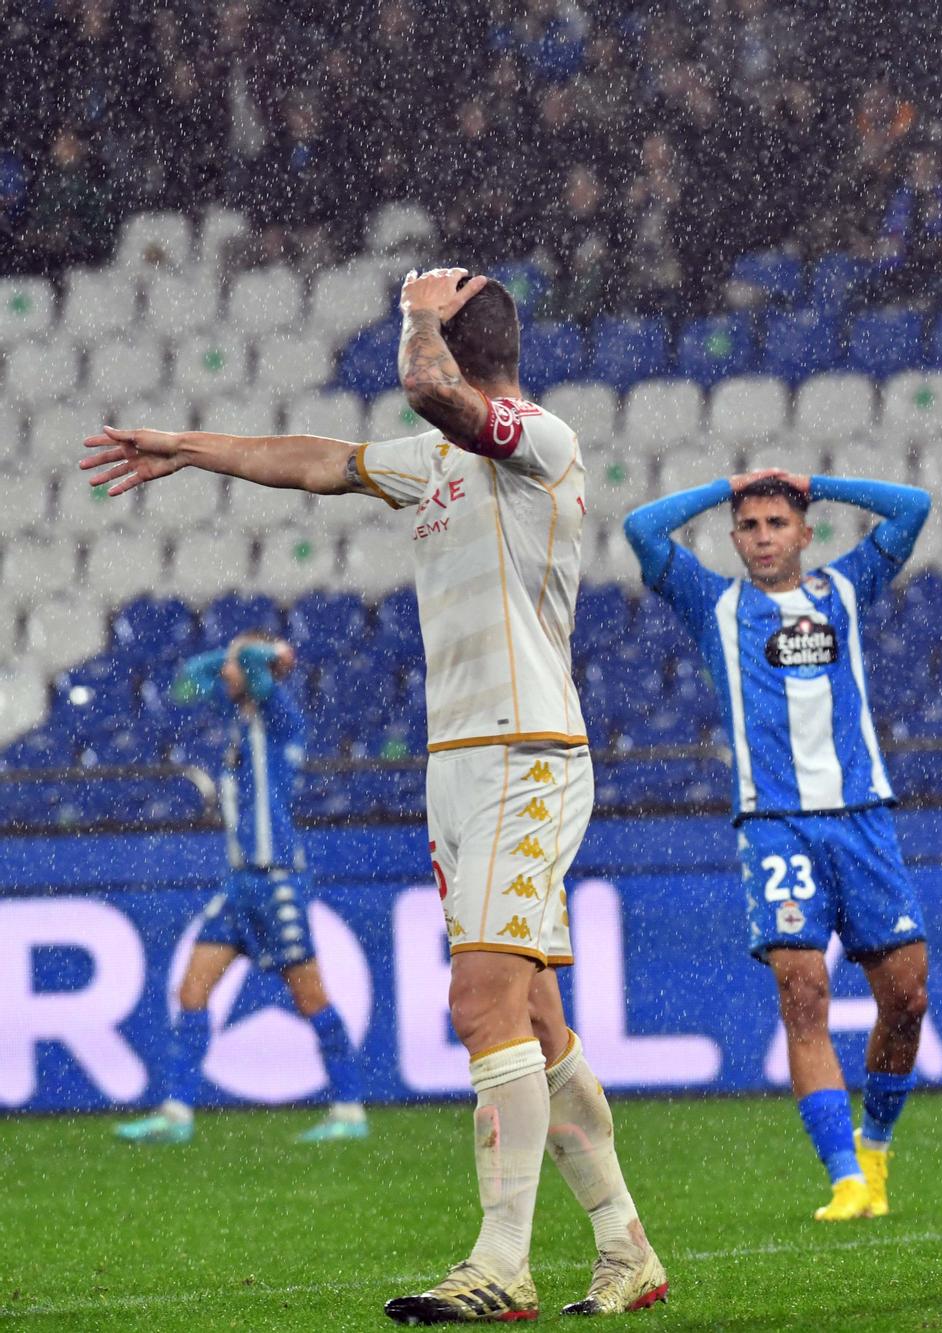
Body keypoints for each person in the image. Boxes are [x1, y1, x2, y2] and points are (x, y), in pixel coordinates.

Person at [78, 269, 664, 1322]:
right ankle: (625, 1248)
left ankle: (500, 1263)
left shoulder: (539, 440)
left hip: (524, 749)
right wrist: (189, 446)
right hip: (461, 759)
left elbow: (431, 394)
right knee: (534, 1011)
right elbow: (319, 463)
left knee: (478, 1002)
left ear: (457, 342)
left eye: (436, 337)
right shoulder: (438, 459)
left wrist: (414, 314)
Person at [621, 467, 933, 1223]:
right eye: (750, 526)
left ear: (805, 532)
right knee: (804, 993)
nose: (763, 537)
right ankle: (844, 1177)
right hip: (775, 824)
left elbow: (913, 507)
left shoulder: (845, 589)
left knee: (906, 997)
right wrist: (726, 482)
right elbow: (641, 528)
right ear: (733, 538)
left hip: (861, 816)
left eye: (777, 523)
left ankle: (876, 1148)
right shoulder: (715, 604)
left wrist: (814, 481)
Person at [114, 633, 367, 1146]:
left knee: (311, 996)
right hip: (239, 885)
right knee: (191, 990)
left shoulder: (279, 718)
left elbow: (252, 665)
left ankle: (348, 1111)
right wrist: (235, 656)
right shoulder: (248, 719)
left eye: (235, 665)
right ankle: (177, 1113)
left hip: (275, 881)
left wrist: (261, 655)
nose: (225, 673)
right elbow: (187, 681)